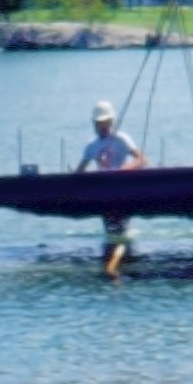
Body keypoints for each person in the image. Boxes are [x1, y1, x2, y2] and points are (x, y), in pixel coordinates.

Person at [76, 100, 147, 275]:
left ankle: (121, 256)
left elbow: (141, 159)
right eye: (98, 123)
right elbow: (80, 171)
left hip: (123, 191)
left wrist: (122, 171)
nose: (102, 126)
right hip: (104, 194)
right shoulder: (91, 146)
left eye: (105, 123)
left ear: (111, 122)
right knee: (110, 229)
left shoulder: (121, 139)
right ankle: (113, 254)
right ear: (94, 124)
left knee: (120, 228)